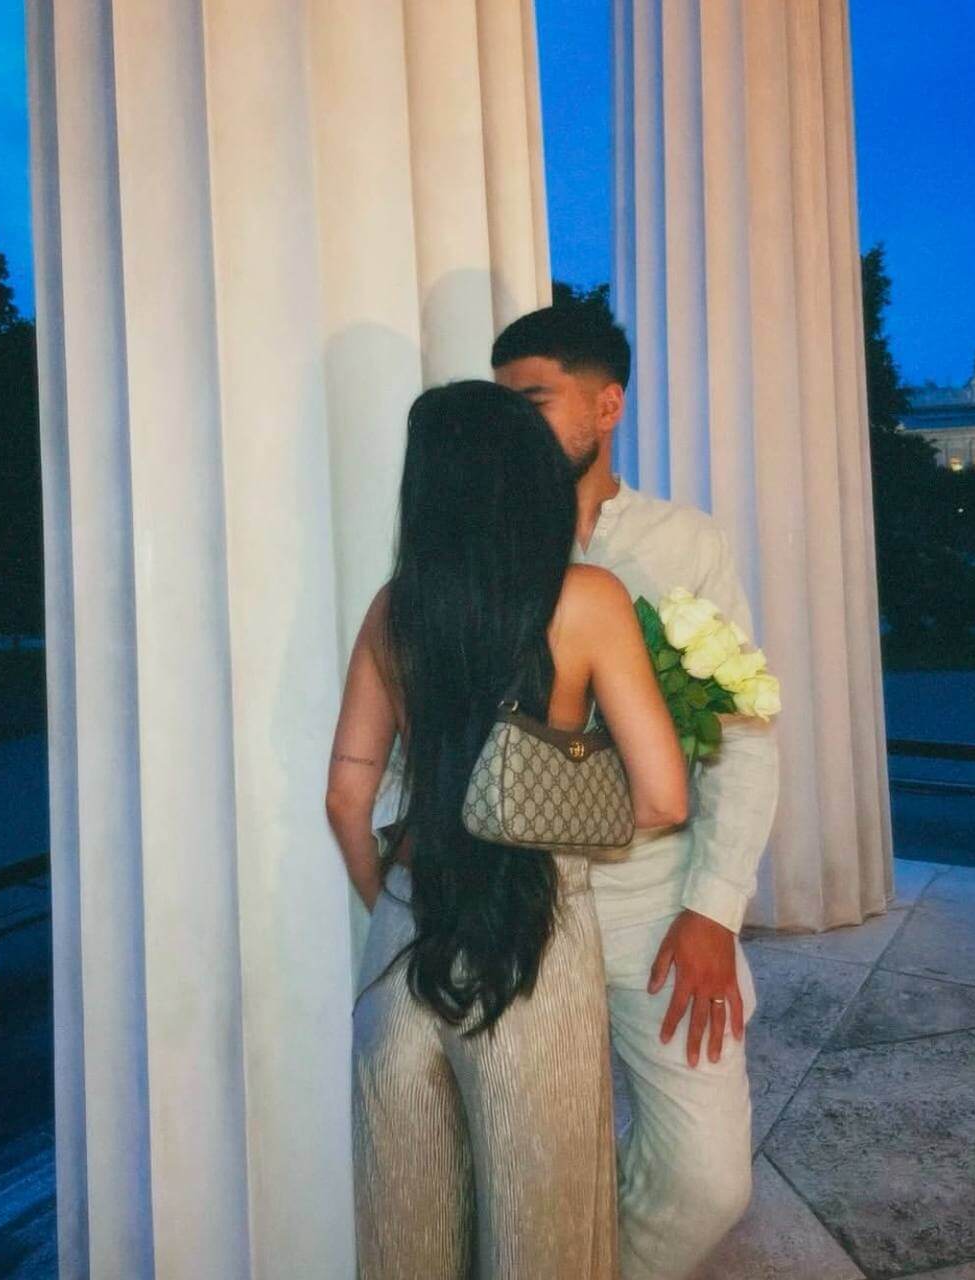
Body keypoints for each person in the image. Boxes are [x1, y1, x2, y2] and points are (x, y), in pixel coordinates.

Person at [325, 379, 689, 1279]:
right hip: (535, 937)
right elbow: (664, 799)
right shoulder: (588, 599)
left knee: (406, 1242)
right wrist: (568, 832)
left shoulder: (393, 609)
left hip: (406, 938)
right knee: (542, 1239)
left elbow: (345, 798)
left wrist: (391, 901)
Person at [492, 303, 781, 1280]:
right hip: (515, 901)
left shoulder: (681, 542)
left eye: (535, 400)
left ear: (606, 405)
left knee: (706, 1182)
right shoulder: (475, 541)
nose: (513, 425)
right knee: (526, 1174)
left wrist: (713, 908)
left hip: (652, 900)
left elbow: (741, 735)